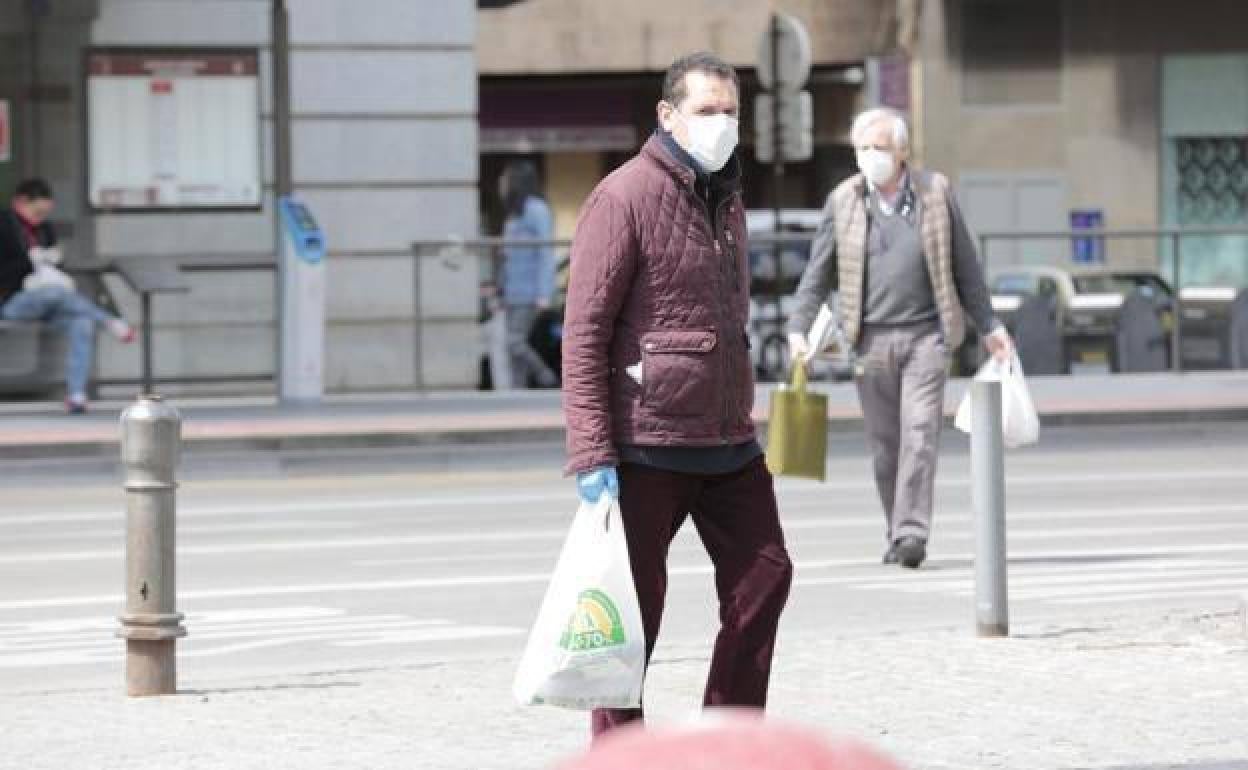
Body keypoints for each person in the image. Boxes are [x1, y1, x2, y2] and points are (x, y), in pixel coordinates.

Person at [562, 51, 793, 738]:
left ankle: (729, 736)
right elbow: (583, 333)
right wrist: (592, 452)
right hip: (648, 442)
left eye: (730, 112)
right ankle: (619, 750)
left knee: (766, 577)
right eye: (706, 111)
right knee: (633, 616)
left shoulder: (728, 199)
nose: (721, 124)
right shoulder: (622, 197)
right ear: (667, 116)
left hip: (727, 438)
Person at [787, 108, 1011, 570]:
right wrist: (796, 328)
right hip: (868, 341)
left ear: (903, 151)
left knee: (920, 435)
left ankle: (912, 533)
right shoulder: (844, 200)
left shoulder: (936, 193)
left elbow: (965, 265)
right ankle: (896, 527)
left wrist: (989, 325)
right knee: (885, 446)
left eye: (880, 147)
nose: (871, 157)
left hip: (926, 337)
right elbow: (818, 271)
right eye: (863, 149)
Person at [0, 178, 135, 413]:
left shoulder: (45, 229)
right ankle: (108, 319)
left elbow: (55, 267)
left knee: (81, 323)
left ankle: (76, 394)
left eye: (45, 213)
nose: (40, 218)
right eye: (37, 211)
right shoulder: (5, 224)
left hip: (48, 303)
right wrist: (30, 263)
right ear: (21, 202)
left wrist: (51, 259)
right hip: (12, 300)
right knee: (55, 293)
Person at [499, 160, 559, 388]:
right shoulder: (514, 214)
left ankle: (544, 373)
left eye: (506, 179)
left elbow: (546, 252)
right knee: (514, 347)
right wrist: (500, 290)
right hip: (512, 293)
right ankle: (517, 391)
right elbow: (507, 257)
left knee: (514, 342)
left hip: (530, 292)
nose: (501, 183)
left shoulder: (537, 210)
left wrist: (544, 292)